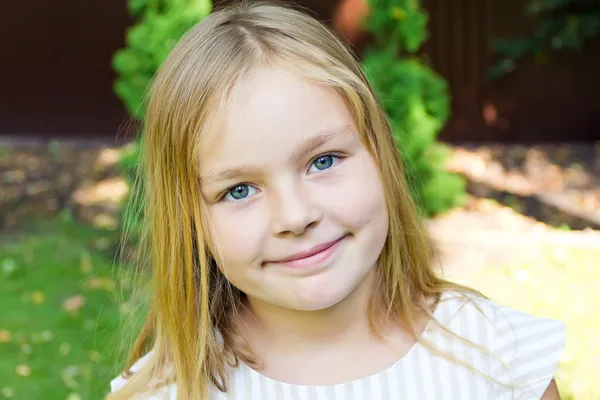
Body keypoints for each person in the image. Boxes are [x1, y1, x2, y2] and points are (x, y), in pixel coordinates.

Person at [107, 2, 565, 399]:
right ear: (191, 220)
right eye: (239, 190)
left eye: (323, 161)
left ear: (378, 154)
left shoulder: (501, 364)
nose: (296, 216)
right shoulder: (163, 393)